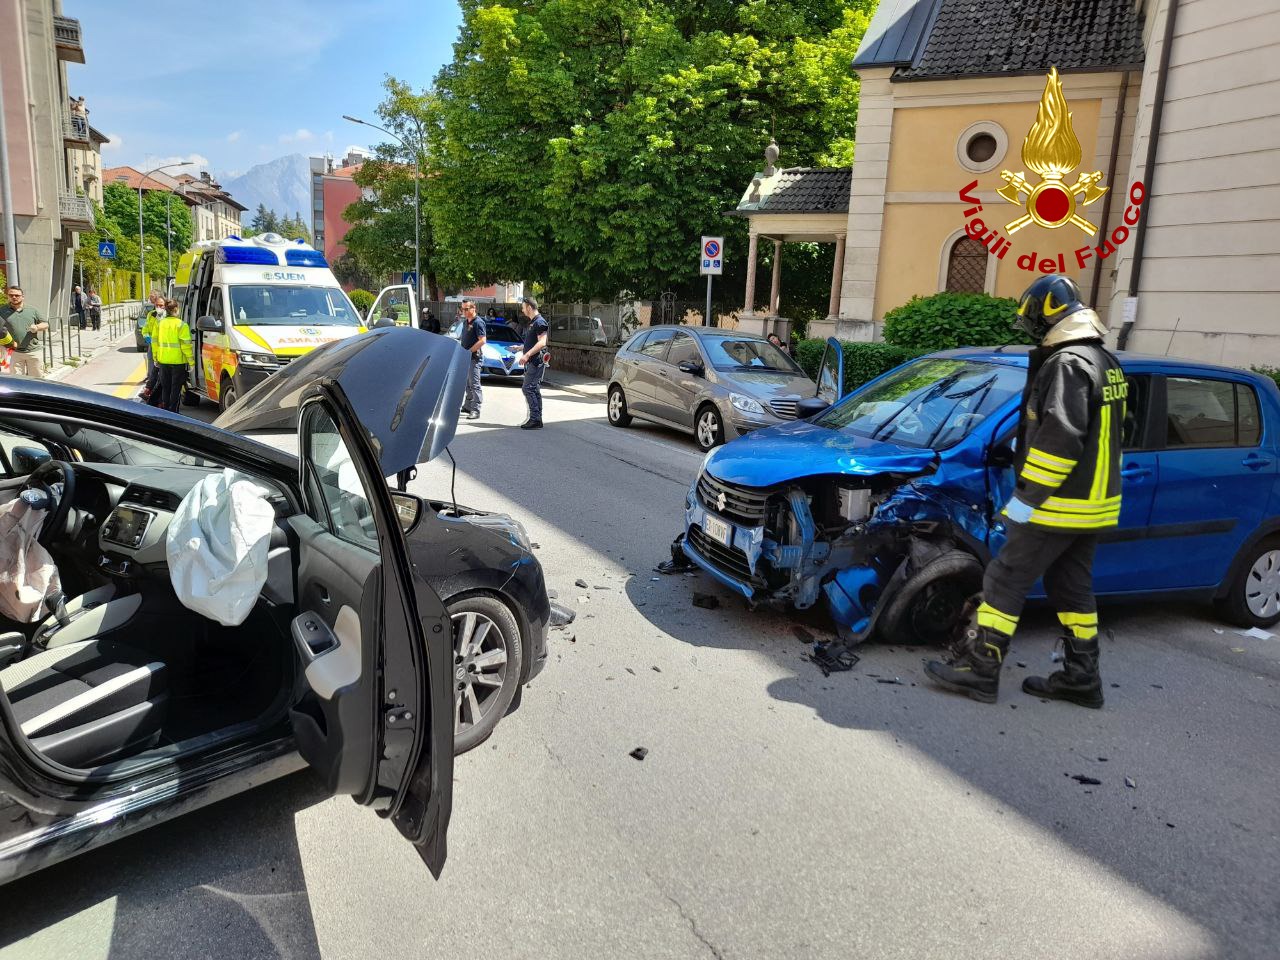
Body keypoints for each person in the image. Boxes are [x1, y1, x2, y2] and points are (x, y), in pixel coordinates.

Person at [925, 274, 1124, 708]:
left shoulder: (1068, 364)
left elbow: (1062, 438)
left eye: (1034, 320)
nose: (1032, 329)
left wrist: (1026, 498)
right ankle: (1081, 678)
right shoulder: (1103, 361)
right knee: (1073, 589)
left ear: (1049, 316)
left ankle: (980, 669)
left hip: (1058, 503)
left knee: (1005, 578)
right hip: (1093, 504)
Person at [151, 299, 192, 413]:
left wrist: (155, 358)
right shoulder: (182, 325)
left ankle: (166, 412)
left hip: (163, 361)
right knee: (176, 389)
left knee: (166, 388)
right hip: (178, 362)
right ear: (175, 309)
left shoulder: (159, 324)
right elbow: (186, 346)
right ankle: (174, 412)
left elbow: (154, 342)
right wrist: (191, 362)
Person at [0, 286, 49, 378]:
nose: (14, 297)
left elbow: (46, 324)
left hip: (33, 351)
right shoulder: (2, 310)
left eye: (17, 295)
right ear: (8, 296)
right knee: (16, 381)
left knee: (37, 380)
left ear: (22, 297)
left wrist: (37, 327)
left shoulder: (32, 310)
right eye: (11, 295)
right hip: (14, 352)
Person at [515, 296, 548, 430]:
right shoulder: (534, 322)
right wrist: (522, 348)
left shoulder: (539, 322)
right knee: (534, 388)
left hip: (535, 361)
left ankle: (535, 419)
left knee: (528, 388)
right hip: (534, 360)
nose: (522, 311)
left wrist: (527, 354)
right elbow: (534, 341)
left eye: (523, 307)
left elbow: (542, 342)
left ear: (529, 307)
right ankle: (537, 418)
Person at [458, 299, 486, 420]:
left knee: (474, 384)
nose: (463, 311)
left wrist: (469, 351)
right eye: (462, 309)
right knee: (467, 384)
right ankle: (468, 405)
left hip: (474, 358)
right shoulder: (465, 322)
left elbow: (482, 340)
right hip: (465, 357)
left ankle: (476, 409)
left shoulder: (478, 322)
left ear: (473, 308)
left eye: (466, 309)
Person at [140, 293, 166, 401]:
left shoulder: (168, 316)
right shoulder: (151, 314)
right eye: (157, 305)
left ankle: (152, 392)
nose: (158, 307)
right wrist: (146, 337)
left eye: (161, 305)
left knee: (160, 372)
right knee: (153, 368)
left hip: (164, 348)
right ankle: (150, 391)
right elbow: (145, 328)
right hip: (153, 346)